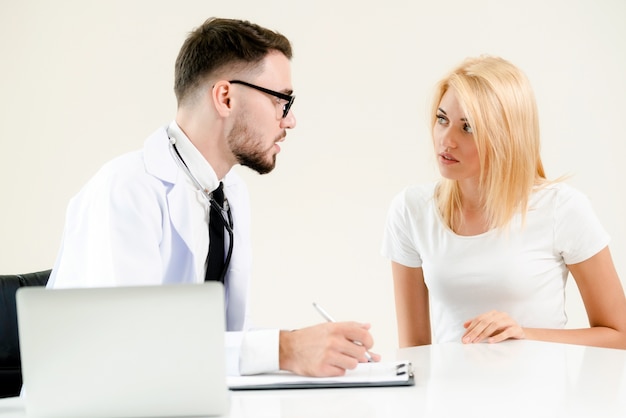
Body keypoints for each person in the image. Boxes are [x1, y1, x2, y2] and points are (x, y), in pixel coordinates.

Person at [48, 17, 379, 377]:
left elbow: (220, 342)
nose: (290, 120)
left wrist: (310, 346)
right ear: (225, 97)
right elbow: (128, 348)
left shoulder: (228, 194)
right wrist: (284, 349)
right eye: (281, 100)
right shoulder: (125, 190)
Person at [381, 55, 626, 349]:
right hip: (451, 393)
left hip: (541, 394)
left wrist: (524, 334)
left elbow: (619, 334)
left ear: (506, 137)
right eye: (442, 119)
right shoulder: (411, 210)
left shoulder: (562, 208)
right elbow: (414, 351)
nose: (446, 140)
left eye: (468, 127)